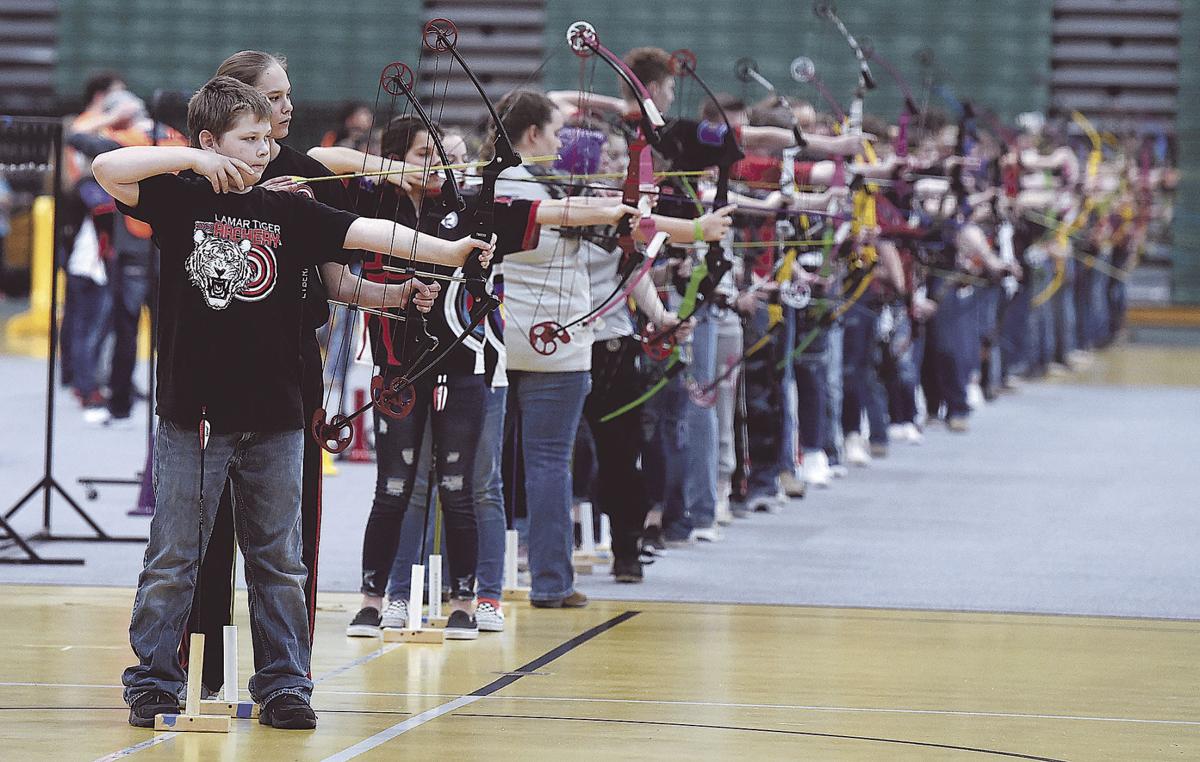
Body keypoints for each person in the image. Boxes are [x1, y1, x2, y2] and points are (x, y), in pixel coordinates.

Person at [93, 74, 491, 730]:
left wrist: (447, 251)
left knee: (279, 558)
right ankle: (155, 681)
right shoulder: (178, 198)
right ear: (208, 141)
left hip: (275, 414)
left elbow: (364, 231)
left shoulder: (291, 207)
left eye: (264, 139)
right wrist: (196, 162)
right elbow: (110, 167)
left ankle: (284, 685)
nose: (261, 150)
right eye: (245, 140)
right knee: (174, 553)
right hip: (194, 415)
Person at [189, 49, 438, 695]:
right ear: (234, 107)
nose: (288, 108)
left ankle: (285, 676)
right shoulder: (195, 180)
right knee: (203, 534)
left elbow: (338, 275)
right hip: (209, 377)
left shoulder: (299, 175)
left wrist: (397, 294)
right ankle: (199, 673)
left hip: (287, 375)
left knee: (286, 541)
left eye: (288, 94)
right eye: (274, 98)